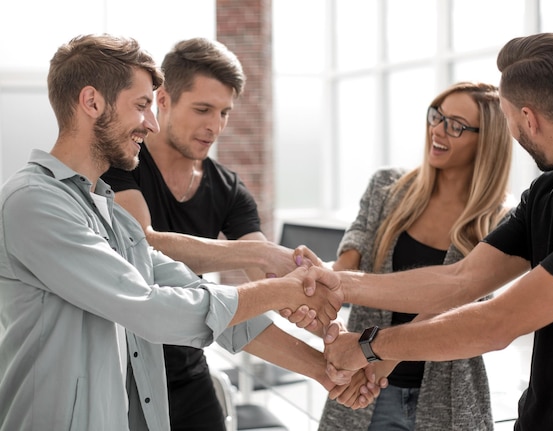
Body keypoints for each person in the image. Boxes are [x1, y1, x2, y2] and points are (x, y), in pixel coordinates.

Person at [0, 34, 347, 431]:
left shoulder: (110, 214)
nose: (151, 122)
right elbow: (151, 308)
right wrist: (283, 287)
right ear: (92, 102)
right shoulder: (34, 202)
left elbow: (205, 299)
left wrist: (325, 367)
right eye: (142, 105)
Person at [302, 32, 553, 430]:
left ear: (529, 119)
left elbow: (496, 322)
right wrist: (340, 284)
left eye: (507, 119)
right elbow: (461, 278)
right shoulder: (548, 190)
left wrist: (369, 347)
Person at [100, 37, 375, 430]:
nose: (215, 126)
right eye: (203, 109)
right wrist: (262, 257)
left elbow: (269, 284)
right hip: (120, 371)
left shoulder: (228, 189)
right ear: (162, 99)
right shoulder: (122, 163)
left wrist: (330, 334)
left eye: (225, 112)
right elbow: (145, 243)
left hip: (188, 367)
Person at [317, 81, 513, 431]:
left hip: (447, 398)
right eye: (437, 116)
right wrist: (328, 280)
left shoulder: (499, 219)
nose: (437, 130)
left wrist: (383, 357)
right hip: (366, 388)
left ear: (487, 140)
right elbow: (356, 242)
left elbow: (463, 298)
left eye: (456, 125)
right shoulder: (387, 186)